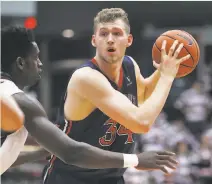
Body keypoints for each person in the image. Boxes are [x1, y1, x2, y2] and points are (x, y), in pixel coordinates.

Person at [0, 26, 178, 175]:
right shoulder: (21, 102)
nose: (40, 63)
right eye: (36, 58)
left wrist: (40, 153)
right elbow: (72, 153)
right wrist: (136, 159)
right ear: (21, 63)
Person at [40, 8, 190, 184]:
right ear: (94, 40)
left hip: (110, 177)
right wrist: (167, 76)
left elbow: (144, 97)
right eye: (103, 34)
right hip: (70, 178)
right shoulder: (86, 78)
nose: (110, 39)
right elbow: (141, 122)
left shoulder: (129, 66)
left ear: (129, 40)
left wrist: (164, 68)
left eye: (117, 33)